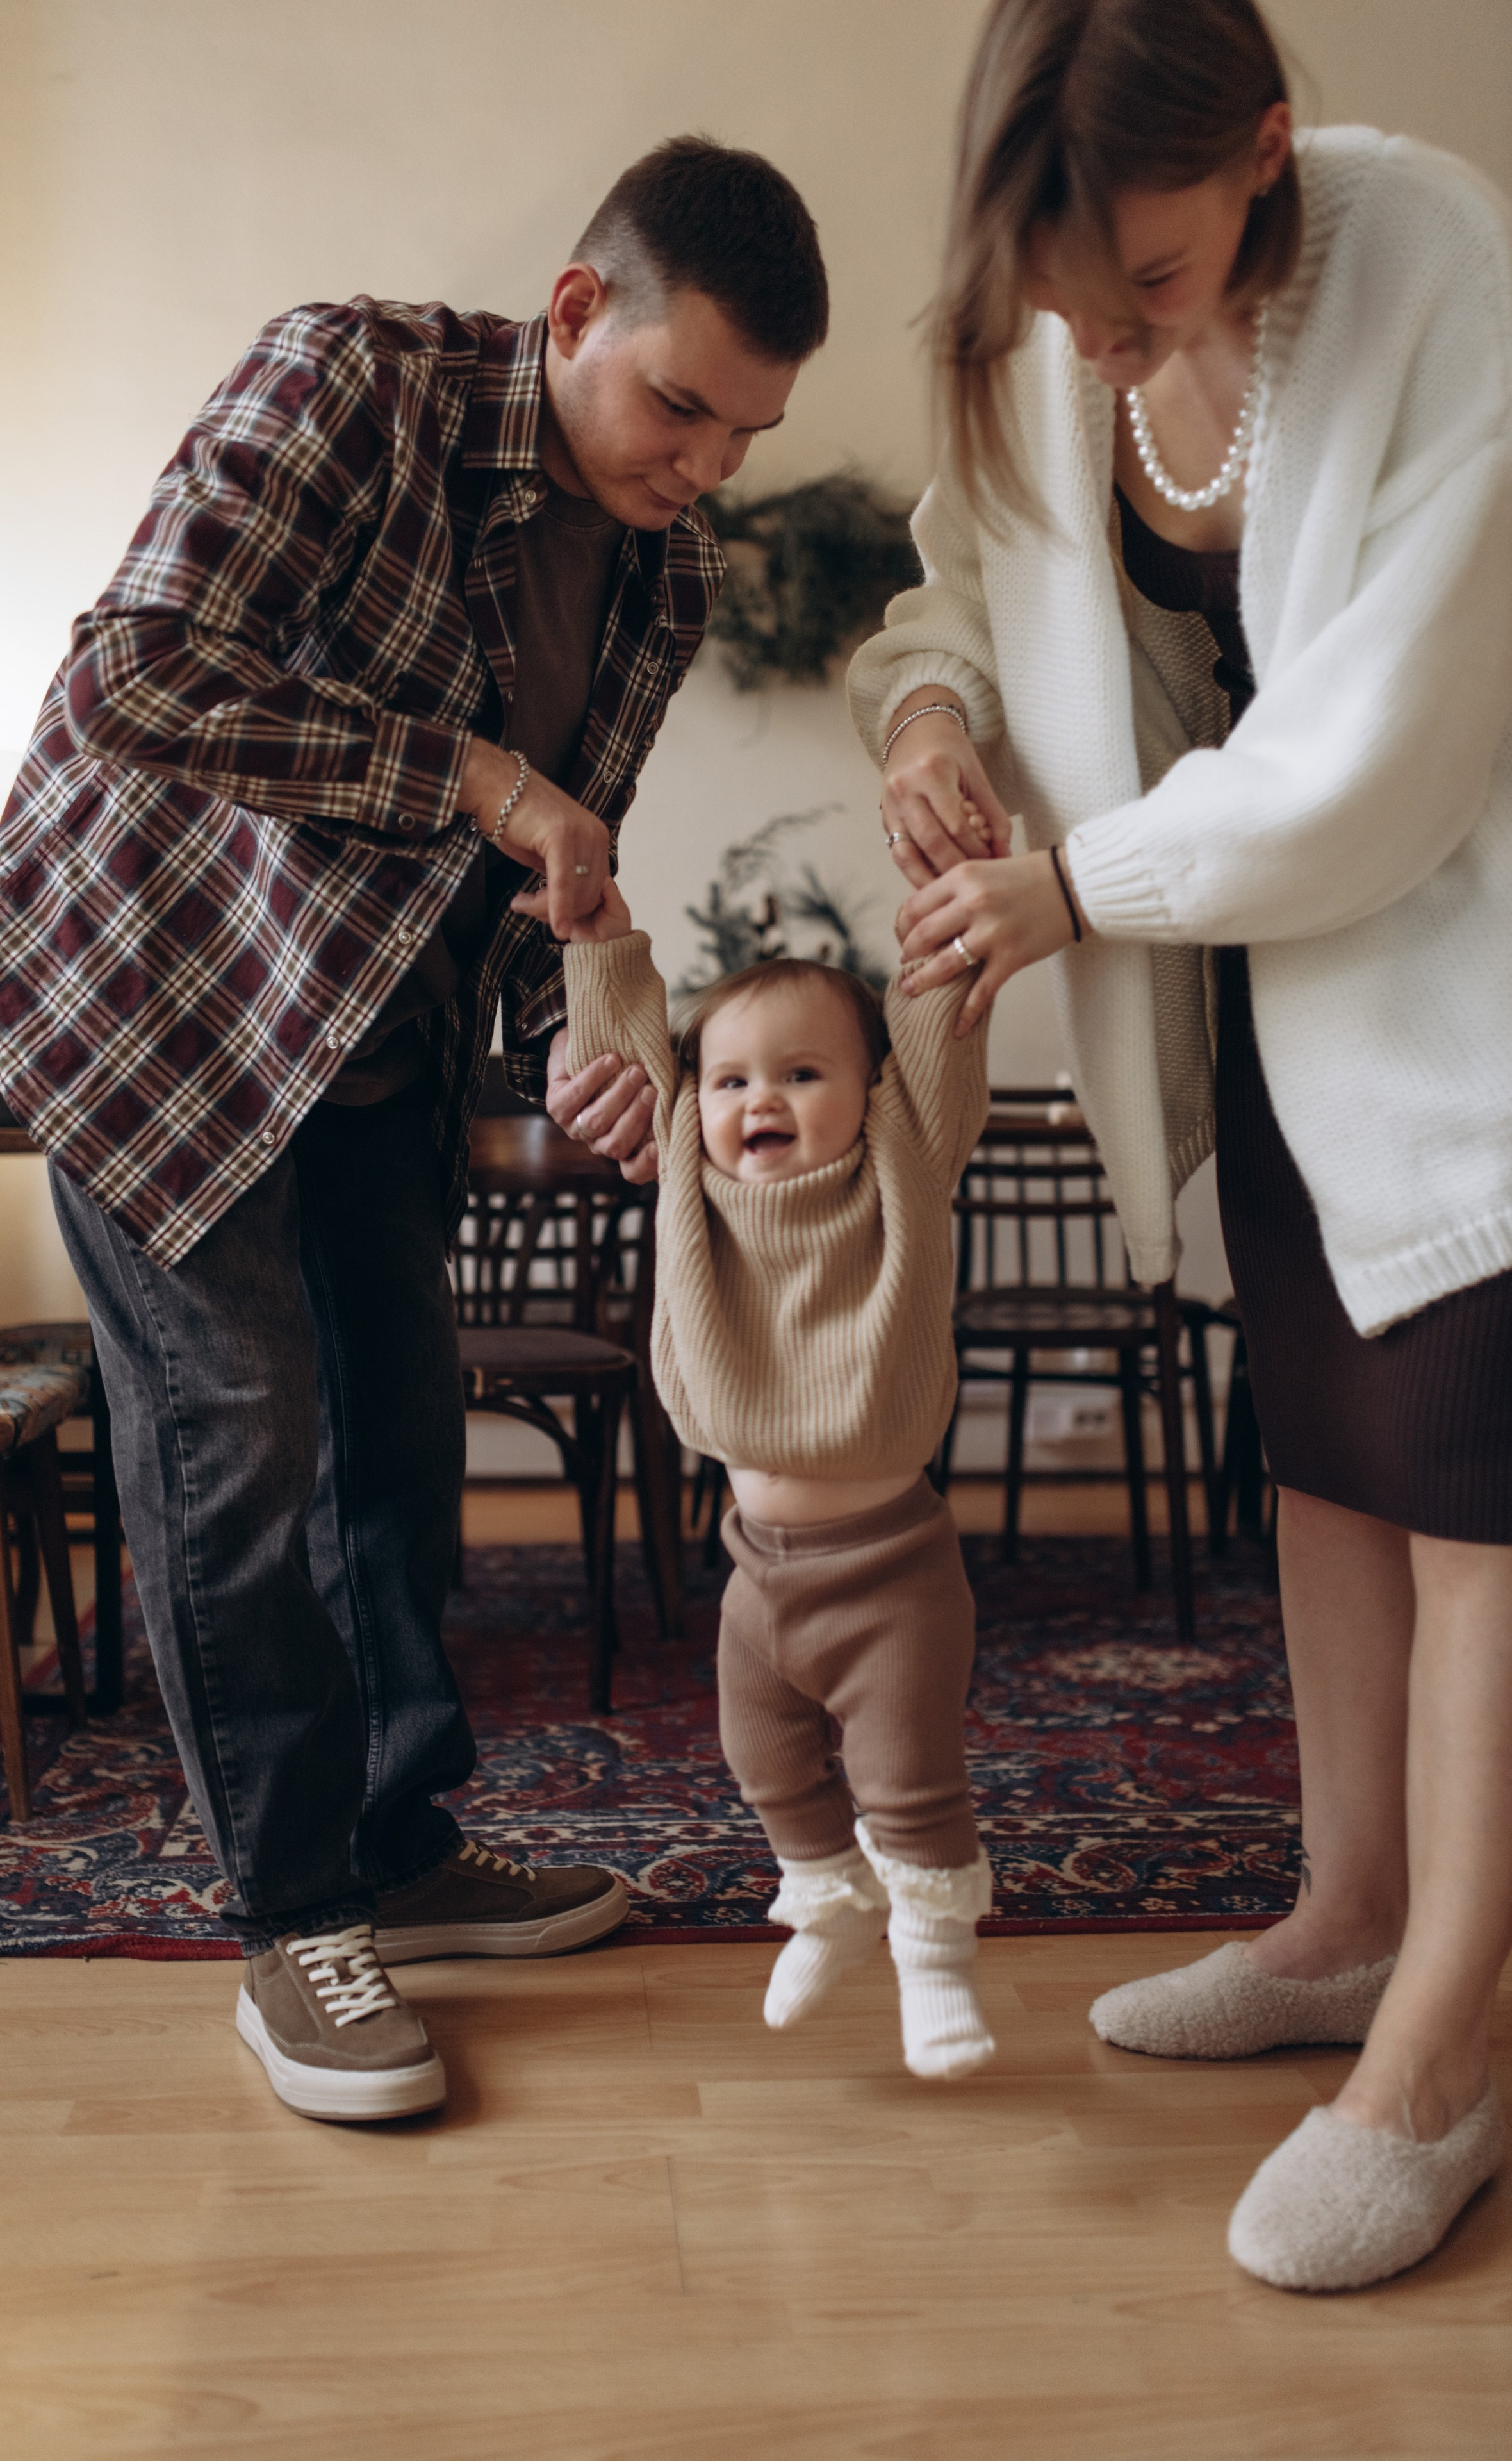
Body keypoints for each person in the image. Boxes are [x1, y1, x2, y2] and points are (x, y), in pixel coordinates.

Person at [0, 137, 829, 2124]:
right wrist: (474, 771)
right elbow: (136, 672)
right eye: (678, 406)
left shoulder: (668, 566)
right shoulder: (352, 380)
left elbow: (546, 873)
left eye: (745, 435)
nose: (700, 467)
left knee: (401, 1426)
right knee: (240, 1425)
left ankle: (403, 1853)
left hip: (377, 1041)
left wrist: (575, 1035)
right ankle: (292, 1922)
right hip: (157, 997)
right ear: (578, 310)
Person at [837, 0, 1511, 2289]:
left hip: (1466, 975)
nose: (1105, 333)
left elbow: (1384, 742)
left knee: (1483, 1507)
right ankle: (1343, 1924)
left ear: (1268, 155)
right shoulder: (1058, 323)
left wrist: (1070, 890)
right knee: (1332, 1456)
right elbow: (967, 568)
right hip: (1278, 993)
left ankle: (1444, 2048)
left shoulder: (1433, 262)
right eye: (1061, 291)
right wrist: (935, 712)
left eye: (1148, 277)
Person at [552, 870, 996, 2079]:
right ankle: (828, 1897)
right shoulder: (689, 1184)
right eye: (736, 1079)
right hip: (759, 1578)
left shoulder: (904, 1165)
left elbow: (941, 1030)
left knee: (908, 1783)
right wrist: (601, 943)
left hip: (894, 1568)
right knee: (766, 1766)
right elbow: (635, 1057)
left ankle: (937, 1964)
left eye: (805, 1075)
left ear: (871, 1093)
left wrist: (944, 907)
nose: (765, 1099)